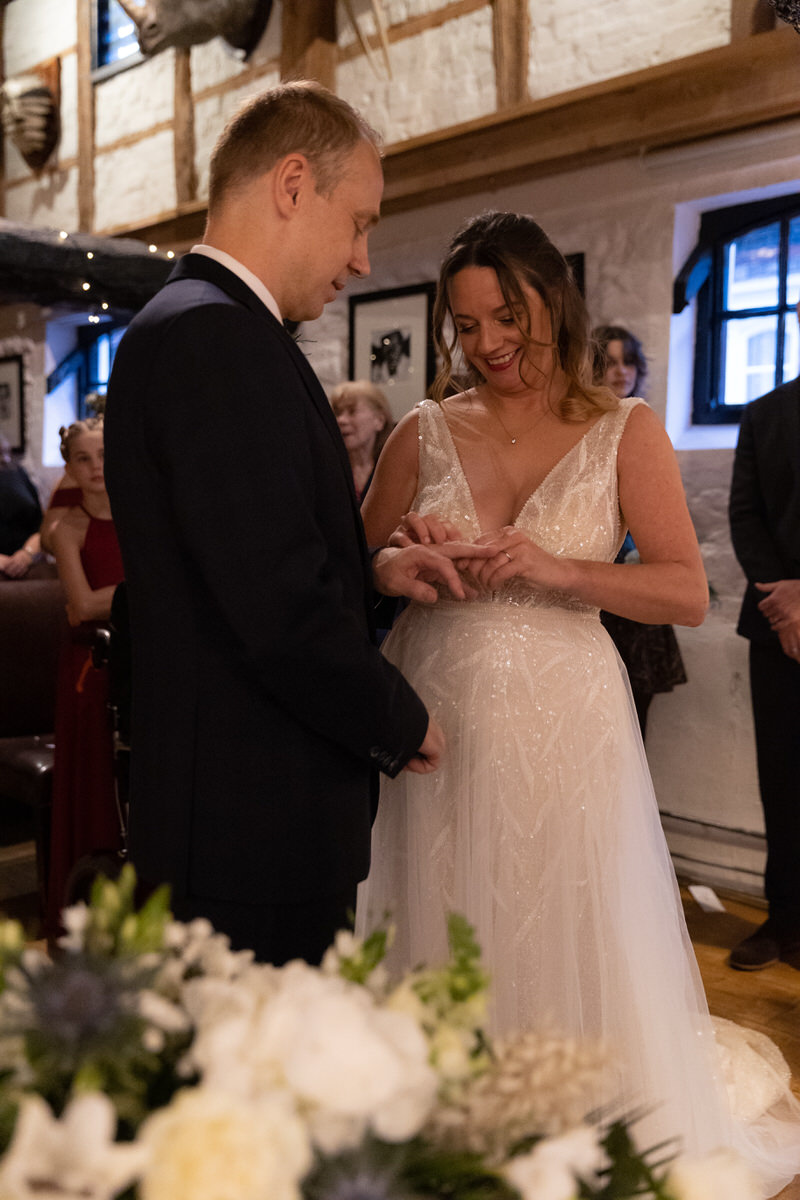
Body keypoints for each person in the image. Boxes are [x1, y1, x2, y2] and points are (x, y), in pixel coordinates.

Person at [356, 211, 800, 1191]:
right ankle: (447, 1110)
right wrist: (402, 561)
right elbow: (356, 559)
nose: (485, 345)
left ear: (551, 302)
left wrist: (561, 571)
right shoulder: (423, 429)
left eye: (503, 317)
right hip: (438, 707)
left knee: (559, 905)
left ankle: (569, 1111)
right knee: (443, 899)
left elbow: (684, 591)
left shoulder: (621, 430)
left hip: (569, 715)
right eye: (464, 326)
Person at [104, 81, 489, 968]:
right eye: (358, 221)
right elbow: (273, 606)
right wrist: (395, 716)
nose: (361, 259)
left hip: (232, 812)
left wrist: (373, 572)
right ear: (290, 185)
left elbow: (233, 562)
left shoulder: (200, 324)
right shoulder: (215, 337)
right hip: (250, 823)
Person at [728, 300, 800, 973]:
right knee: (780, 777)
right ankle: (783, 921)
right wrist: (787, 602)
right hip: (776, 625)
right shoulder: (766, 412)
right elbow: (745, 517)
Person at [46, 417, 125, 938]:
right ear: (70, 466)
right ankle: (86, 916)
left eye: (103, 455)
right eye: (83, 459)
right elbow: (81, 608)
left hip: (140, 661)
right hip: (89, 671)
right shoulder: (65, 528)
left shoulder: (142, 514)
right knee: (94, 786)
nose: (96, 467)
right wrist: (148, 588)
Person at [592, 325, 687, 736]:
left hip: (636, 587)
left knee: (635, 718)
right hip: (596, 586)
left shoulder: (644, 424)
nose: (621, 372)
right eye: (610, 362)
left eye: (628, 361)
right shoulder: (581, 428)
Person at [331, 379, 394, 501]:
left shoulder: (392, 471)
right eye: (337, 413)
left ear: (379, 421)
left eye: (352, 411)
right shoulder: (329, 470)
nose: (341, 420)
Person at [0, 435, 43, 578]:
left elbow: (42, 527)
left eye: (7, 453)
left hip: (28, 563)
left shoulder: (18, 473)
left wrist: (27, 553)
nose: (5, 460)